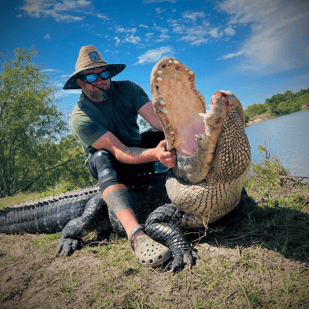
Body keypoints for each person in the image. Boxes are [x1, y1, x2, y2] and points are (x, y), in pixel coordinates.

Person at [63, 45, 177, 267]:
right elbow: (119, 152)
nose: (101, 80)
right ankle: (137, 236)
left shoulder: (129, 89)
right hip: (115, 165)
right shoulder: (80, 117)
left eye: (104, 73)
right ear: (80, 81)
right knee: (100, 156)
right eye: (92, 75)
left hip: (139, 152)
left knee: (165, 133)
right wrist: (155, 154)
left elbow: (160, 123)